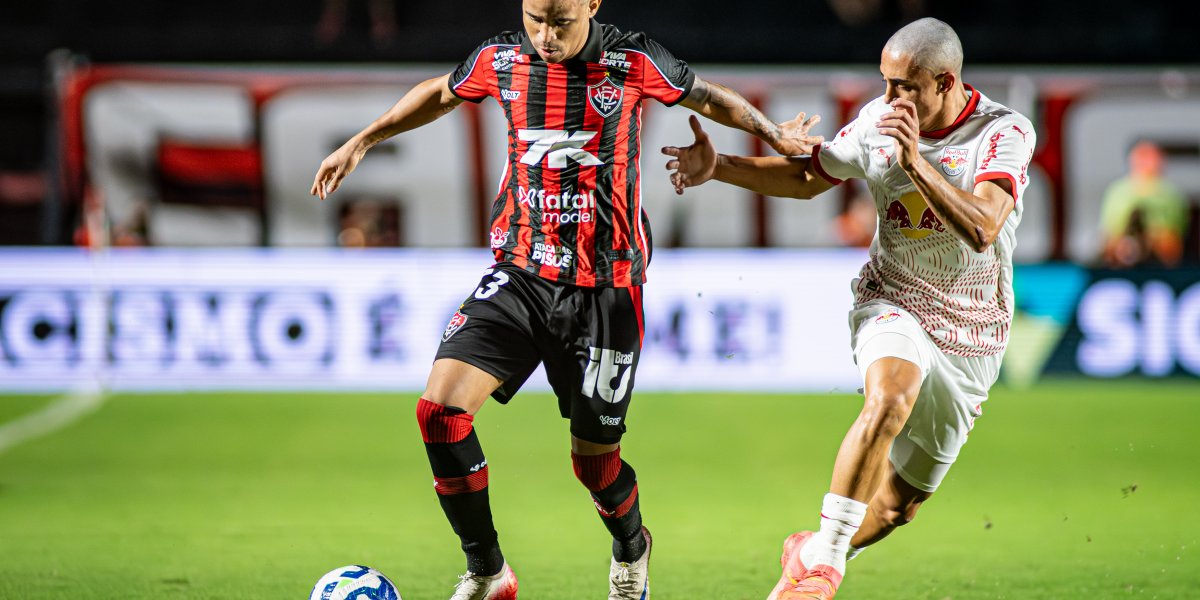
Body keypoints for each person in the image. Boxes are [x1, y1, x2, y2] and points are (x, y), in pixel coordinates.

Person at [310, 1, 822, 598]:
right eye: (534, 18)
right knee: (440, 415)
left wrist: (773, 133)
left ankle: (632, 546)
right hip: (521, 273)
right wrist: (364, 140)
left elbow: (711, 98)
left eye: (560, 21)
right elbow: (441, 92)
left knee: (595, 465)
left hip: (606, 290)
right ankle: (488, 571)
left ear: (592, 6)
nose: (545, 36)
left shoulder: (632, 60)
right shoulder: (500, 59)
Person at [663, 17, 1035, 599]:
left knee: (895, 509)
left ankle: (810, 549)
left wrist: (914, 162)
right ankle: (826, 566)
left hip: (975, 333)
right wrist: (721, 168)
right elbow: (810, 177)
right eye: (885, 82)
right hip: (893, 297)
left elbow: (985, 226)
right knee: (890, 393)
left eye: (905, 86)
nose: (890, 98)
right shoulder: (877, 124)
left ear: (945, 80)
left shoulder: (1003, 133)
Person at [1099, 140, 1189, 268]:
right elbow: (1108, 239)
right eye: (1142, 157)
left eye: (1151, 157)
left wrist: (1153, 239)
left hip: (1160, 267)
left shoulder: (1171, 195)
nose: (1148, 163)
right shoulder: (1117, 192)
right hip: (1122, 268)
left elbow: (1175, 243)